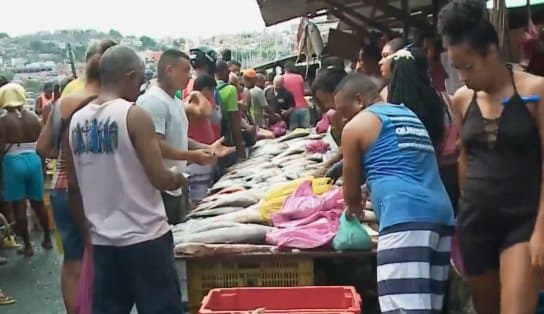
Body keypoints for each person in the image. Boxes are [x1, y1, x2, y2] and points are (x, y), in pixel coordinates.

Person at [438, 1, 544, 313]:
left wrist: (541, 228)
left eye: (468, 66)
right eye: (456, 67)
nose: (462, 76)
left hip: (522, 222)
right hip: (475, 222)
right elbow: (465, 160)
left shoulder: (535, 92)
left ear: (492, 52)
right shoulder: (461, 100)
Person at [69, 45, 185, 313]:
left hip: (104, 241)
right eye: (141, 80)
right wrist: (178, 178)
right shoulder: (133, 115)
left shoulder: (76, 120)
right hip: (146, 239)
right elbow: (159, 177)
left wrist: (89, 234)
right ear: (130, 76)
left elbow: (73, 188)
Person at [336, 73, 454, 313]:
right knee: (430, 306)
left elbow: (350, 195)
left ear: (358, 101)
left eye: (344, 111)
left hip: (405, 220)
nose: (343, 118)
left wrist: (354, 208)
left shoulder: (356, 126)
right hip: (441, 216)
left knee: (403, 308)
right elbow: (406, 165)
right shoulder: (408, 115)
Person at [36, 38, 117, 314]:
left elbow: (42, 147)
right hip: (98, 190)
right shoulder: (113, 104)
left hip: (60, 188)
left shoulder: (65, 102)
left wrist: (64, 159)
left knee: (73, 259)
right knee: (105, 256)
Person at [138, 49, 233, 224]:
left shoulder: (174, 101)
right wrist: (192, 157)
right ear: (169, 70)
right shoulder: (153, 101)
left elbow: (180, 139)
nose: (189, 77)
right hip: (160, 189)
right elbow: (156, 145)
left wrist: (207, 148)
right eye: (185, 71)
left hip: (176, 183)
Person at [0, 83, 52, 257]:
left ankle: (28, 245)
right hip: (34, 160)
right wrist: (43, 166)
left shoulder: (3, 121)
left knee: (18, 205)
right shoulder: (33, 118)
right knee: (38, 202)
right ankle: (47, 238)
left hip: (13, 162)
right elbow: (43, 143)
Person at [216, 60, 245, 162]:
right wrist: (240, 149)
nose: (229, 73)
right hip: (227, 139)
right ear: (223, 71)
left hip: (213, 141)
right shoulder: (230, 89)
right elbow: (234, 122)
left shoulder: (209, 88)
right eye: (227, 71)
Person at [283, 60, 310, 129]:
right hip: (303, 107)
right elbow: (303, 93)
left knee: (294, 133)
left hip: (291, 109)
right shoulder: (299, 77)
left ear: (285, 69)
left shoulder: (282, 79)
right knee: (306, 131)